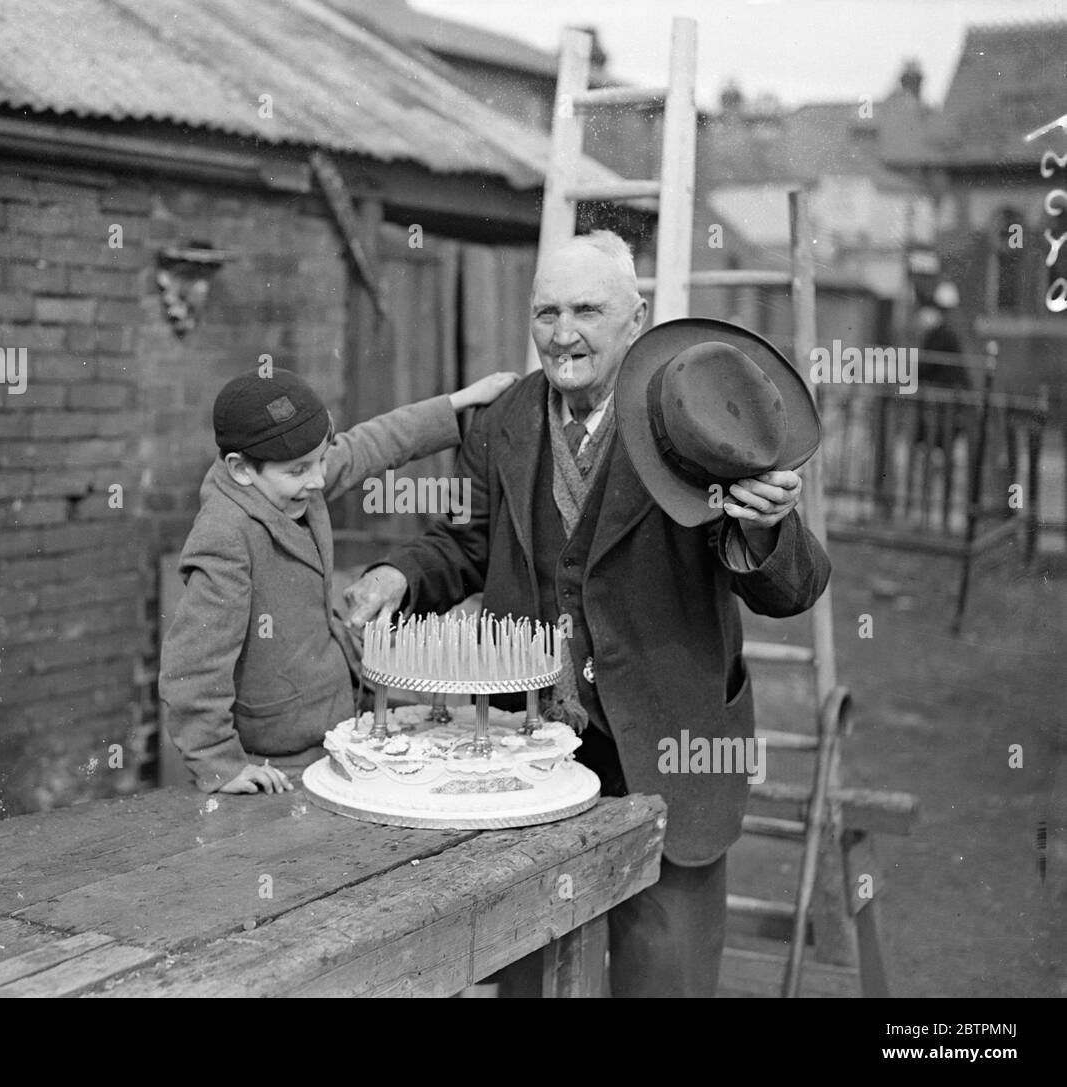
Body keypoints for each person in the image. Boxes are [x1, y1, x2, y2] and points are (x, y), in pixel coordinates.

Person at [343, 231, 831, 997]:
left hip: (669, 740)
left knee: (663, 972)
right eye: (546, 310)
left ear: (635, 319)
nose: (562, 332)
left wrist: (766, 525)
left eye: (587, 310)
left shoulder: (693, 410)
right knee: (529, 965)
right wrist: (396, 575)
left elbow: (792, 590)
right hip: (530, 744)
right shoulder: (507, 415)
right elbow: (470, 534)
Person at [159, 366, 519, 795]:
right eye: (299, 470)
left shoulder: (291, 483)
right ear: (240, 468)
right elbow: (192, 667)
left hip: (334, 726)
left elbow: (374, 442)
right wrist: (220, 764)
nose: (317, 480)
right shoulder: (225, 536)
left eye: (322, 461)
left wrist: (458, 402)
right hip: (277, 762)